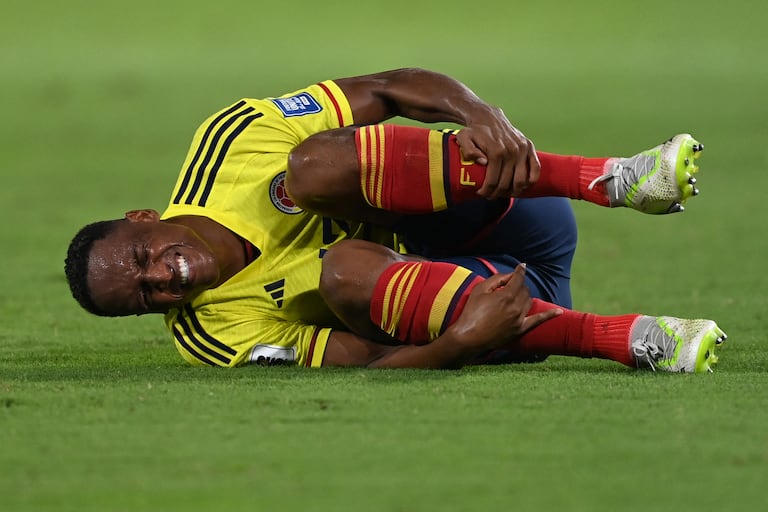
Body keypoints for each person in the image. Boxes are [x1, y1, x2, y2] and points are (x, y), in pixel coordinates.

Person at [64, 68, 726, 372]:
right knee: (342, 273)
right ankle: (635, 339)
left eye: (142, 258)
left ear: (143, 218)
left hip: (509, 211)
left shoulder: (228, 145)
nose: (163, 280)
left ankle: (613, 178)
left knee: (313, 170)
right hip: (488, 307)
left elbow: (388, 89)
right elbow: (366, 355)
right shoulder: (213, 333)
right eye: (146, 299)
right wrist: (459, 344)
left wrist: (479, 116)